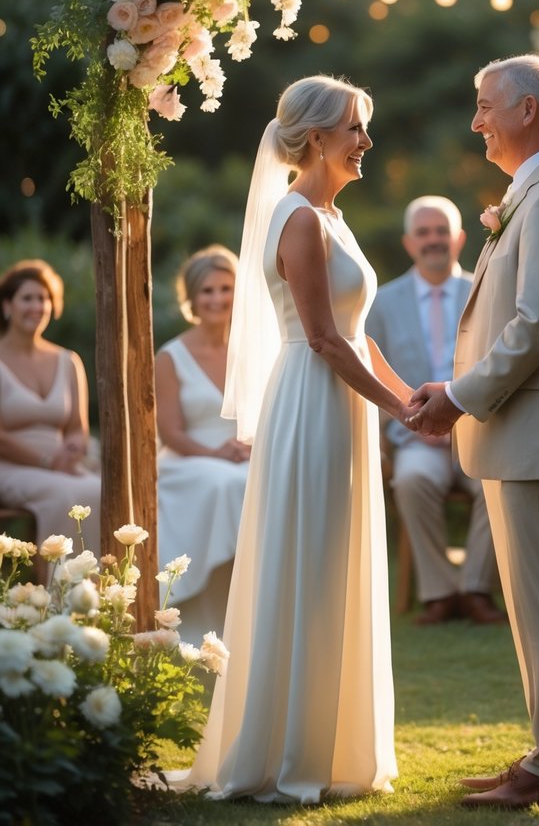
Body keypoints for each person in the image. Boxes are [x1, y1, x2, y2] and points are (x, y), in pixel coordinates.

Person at [174, 75, 414, 804]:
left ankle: (335, 745)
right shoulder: (299, 220)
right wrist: (402, 414)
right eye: (353, 129)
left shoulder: (330, 217)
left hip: (343, 403)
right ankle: (285, 752)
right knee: (309, 562)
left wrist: (418, 400)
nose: (365, 142)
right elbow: (320, 339)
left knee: (337, 560)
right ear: (315, 138)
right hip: (311, 402)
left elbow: (358, 337)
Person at [408, 53, 539, 810]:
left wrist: (458, 396)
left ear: (528, 110)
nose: (476, 122)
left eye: (486, 106)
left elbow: (536, 324)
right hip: (522, 430)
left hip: (536, 429)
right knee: (531, 605)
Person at [366, 196, 502, 625]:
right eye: (423, 233)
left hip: (480, 431)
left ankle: (477, 589)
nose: (433, 240)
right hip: (416, 438)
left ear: (459, 238)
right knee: (411, 480)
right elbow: (371, 374)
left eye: (441, 231)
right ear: (409, 243)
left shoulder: (486, 292)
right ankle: (440, 592)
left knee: (498, 486)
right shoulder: (382, 303)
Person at [156, 245, 249, 644]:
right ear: (192, 298)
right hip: (187, 460)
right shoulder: (170, 356)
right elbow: (169, 432)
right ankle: (198, 613)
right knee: (226, 484)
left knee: (265, 480)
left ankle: (252, 615)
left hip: (243, 453)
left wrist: (248, 445)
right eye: (208, 290)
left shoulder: (252, 352)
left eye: (226, 289)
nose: (218, 299)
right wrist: (215, 453)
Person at [0, 259, 100, 561]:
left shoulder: (68, 361)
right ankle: (54, 596)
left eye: (43, 298)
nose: (36, 306)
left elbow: (76, 426)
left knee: (101, 490)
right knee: (62, 496)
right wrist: (46, 461)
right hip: (11, 467)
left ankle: (98, 592)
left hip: (60, 465)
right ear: (7, 306)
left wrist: (72, 449)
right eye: (27, 298)